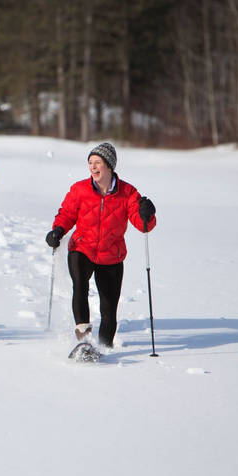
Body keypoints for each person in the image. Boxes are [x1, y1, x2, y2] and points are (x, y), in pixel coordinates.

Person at [45, 142, 156, 349]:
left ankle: (105, 347)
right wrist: (58, 230)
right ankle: (84, 339)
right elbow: (67, 214)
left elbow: (143, 226)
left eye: (97, 163)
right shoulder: (79, 189)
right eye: (90, 163)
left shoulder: (128, 193)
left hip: (111, 255)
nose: (93, 167)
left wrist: (147, 214)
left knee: (109, 305)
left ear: (109, 165)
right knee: (80, 285)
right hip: (82, 248)